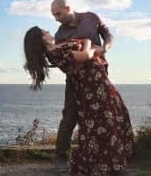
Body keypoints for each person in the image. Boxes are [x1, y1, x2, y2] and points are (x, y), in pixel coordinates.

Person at [23, 26, 135, 175]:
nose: (49, 32)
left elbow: (84, 42)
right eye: (45, 32)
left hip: (98, 80)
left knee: (115, 114)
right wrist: (91, 48)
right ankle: (107, 164)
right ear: (42, 38)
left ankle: (114, 159)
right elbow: (86, 56)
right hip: (92, 85)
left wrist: (87, 46)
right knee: (103, 121)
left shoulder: (58, 46)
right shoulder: (55, 52)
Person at [50, 0, 114, 162]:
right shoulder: (60, 34)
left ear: (68, 8)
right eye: (54, 15)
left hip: (97, 76)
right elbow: (65, 61)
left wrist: (104, 48)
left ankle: (103, 154)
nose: (56, 18)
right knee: (70, 114)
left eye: (58, 13)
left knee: (102, 113)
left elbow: (108, 35)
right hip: (75, 79)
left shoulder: (91, 18)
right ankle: (61, 155)